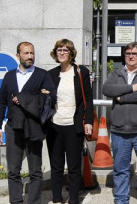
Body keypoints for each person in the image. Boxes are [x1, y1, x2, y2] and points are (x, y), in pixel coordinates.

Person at [0, 42, 57, 204]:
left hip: (34, 127)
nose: (30, 56)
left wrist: (32, 98)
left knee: (35, 170)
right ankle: (15, 201)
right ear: (18, 56)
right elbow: (1, 102)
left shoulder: (42, 75)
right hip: (13, 127)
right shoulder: (9, 76)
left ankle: (34, 202)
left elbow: (52, 98)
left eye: (32, 53)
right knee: (13, 170)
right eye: (26, 53)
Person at [102, 41, 137, 204]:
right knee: (120, 170)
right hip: (120, 131)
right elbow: (107, 90)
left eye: (134, 54)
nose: (131, 56)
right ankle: (121, 200)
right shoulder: (116, 73)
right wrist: (131, 88)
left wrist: (120, 97)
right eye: (128, 54)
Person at [47, 39, 94, 204]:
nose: (61, 53)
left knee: (74, 167)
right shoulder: (51, 74)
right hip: (54, 125)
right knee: (56, 166)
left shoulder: (81, 72)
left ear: (71, 53)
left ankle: (74, 200)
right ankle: (57, 199)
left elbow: (88, 98)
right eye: (59, 50)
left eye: (65, 50)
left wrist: (88, 121)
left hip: (73, 126)